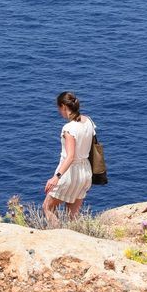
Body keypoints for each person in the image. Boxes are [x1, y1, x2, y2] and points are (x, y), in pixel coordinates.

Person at [43, 91, 96, 225]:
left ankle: (58, 235)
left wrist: (56, 177)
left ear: (63, 106)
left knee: (48, 207)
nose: (59, 112)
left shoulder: (69, 128)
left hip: (69, 174)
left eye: (59, 108)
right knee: (72, 215)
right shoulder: (88, 121)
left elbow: (70, 156)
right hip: (85, 172)